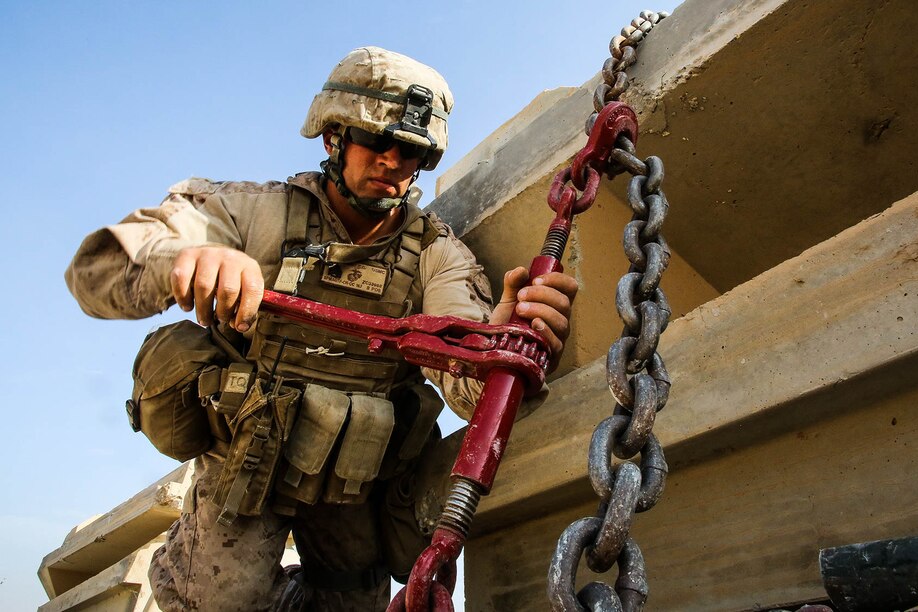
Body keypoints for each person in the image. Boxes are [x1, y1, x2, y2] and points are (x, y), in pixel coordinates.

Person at [65, 46, 577, 611]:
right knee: (216, 600)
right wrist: (188, 258)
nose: (393, 161)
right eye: (377, 141)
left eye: (412, 152)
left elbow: (466, 386)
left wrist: (497, 343)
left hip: (352, 476)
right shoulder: (253, 213)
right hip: (246, 458)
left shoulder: (437, 255)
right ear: (333, 137)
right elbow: (98, 272)